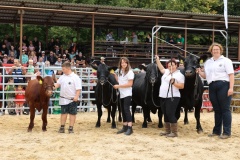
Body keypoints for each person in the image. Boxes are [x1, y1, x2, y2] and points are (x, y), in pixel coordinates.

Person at [197, 42, 234, 139]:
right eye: (214, 50)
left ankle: (227, 132)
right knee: (217, 109)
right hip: (212, 86)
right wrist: (200, 72)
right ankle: (217, 131)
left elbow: (231, 75)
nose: (216, 51)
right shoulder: (208, 62)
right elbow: (206, 76)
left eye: (217, 49)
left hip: (223, 85)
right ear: (211, 51)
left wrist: (231, 88)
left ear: (220, 50)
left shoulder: (226, 61)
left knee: (225, 109)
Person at [155, 55, 185, 137]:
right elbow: (161, 68)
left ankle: (174, 132)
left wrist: (174, 83)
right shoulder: (167, 72)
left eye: (172, 65)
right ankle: (167, 131)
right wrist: (158, 60)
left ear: (176, 66)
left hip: (173, 96)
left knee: (170, 113)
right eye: (169, 65)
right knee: (165, 113)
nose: (170, 67)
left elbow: (182, 86)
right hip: (163, 96)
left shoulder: (179, 75)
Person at [54, 62, 82, 133]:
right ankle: (62, 127)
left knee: (72, 114)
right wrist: (51, 87)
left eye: (63, 69)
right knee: (63, 113)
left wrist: (76, 96)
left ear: (68, 68)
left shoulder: (75, 77)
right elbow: (57, 84)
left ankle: (71, 128)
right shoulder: (62, 77)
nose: (62, 70)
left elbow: (78, 89)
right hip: (63, 98)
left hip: (72, 99)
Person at [113, 57, 134, 135]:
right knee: (122, 110)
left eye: (125, 62)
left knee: (126, 109)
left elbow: (130, 84)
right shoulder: (120, 72)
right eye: (122, 63)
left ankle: (130, 127)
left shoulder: (130, 72)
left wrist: (118, 86)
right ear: (120, 64)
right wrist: (115, 76)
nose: (123, 64)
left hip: (127, 94)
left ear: (127, 63)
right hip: (121, 94)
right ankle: (125, 126)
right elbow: (120, 81)